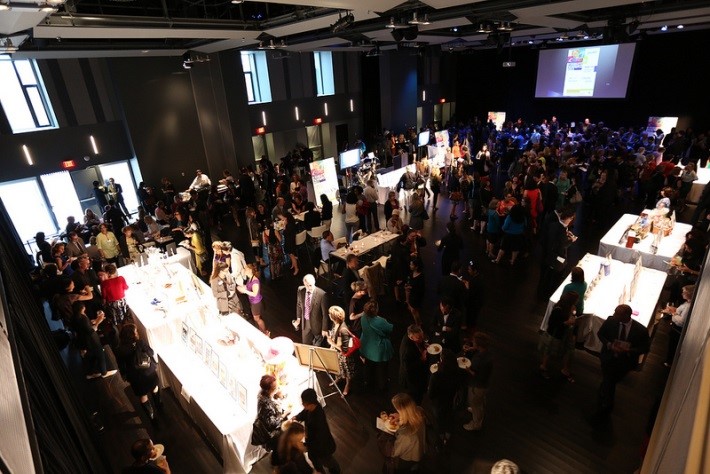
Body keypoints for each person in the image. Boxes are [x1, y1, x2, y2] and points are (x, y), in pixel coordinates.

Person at [595, 304, 651, 418]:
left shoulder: (641, 330)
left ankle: (604, 396)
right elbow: (601, 334)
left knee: (610, 381)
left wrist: (629, 350)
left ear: (626, 316)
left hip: (625, 362)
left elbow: (645, 348)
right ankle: (606, 405)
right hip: (608, 357)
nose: (614, 315)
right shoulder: (611, 321)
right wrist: (609, 345)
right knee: (609, 380)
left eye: (617, 313)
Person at [116, 324, 161, 422]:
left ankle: (152, 418)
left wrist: (125, 376)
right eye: (136, 331)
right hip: (149, 372)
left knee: (143, 396)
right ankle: (159, 406)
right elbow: (151, 353)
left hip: (135, 377)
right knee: (155, 388)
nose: (137, 333)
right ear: (132, 334)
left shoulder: (120, 350)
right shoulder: (140, 343)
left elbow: (121, 366)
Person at [293, 388, 340, 473]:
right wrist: (296, 417)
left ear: (310, 404)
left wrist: (305, 445)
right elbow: (304, 412)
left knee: (328, 462)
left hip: (322, 448)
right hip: (313, 446)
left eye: (304, 403)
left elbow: (318, 440)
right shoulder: (312, 407)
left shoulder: (317, 420)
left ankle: (335, 471)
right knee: (314, 459)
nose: (302, 404)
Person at [428, 348, 466, 445]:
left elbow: (430, 394)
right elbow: (459, 386)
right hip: (451, 401)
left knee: (439, 420)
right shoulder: (457, 372)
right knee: (450, 418)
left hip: (439, 403)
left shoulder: (436, 376)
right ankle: (448, 436)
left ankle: (441, 438)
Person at [538, 291, 579, 382]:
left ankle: (562, 369)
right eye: (576, 300)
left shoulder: (570, 308)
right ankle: (543, 367)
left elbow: (572, 316)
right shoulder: (558, 309)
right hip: (555, 334)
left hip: (563, 333)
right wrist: (566, 323)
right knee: (549, 351)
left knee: (555, 351)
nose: (577, 302)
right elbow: (552, 323)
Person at [72, 302, 116, 379]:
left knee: (93, 355)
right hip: (91, 340)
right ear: (82, 309)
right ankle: (104, 373)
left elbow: (85, 327)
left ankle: (90, 373)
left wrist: (95, 320)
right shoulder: (82, 318)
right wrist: (98, 322)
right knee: (100, 355)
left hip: (85, 339)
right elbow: (91, 330)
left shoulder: (75, 317)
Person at [357, 300, 394, 391]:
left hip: (366, 347)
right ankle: (382, 386)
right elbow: (390, 329)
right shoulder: (380, 321)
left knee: (368, 366)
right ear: (376, 310)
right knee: (382, 369)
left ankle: (368, 382)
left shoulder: (363, 317)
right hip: (378, 350)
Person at [462, 332, 493, 431]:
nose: (472, 342)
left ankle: (476, 424)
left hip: (477, 386)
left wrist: (468, 370)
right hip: (485, 384)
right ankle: (478, 410)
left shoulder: (480, 360)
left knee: (475, 403)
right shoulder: (487, 353)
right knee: (480, 402)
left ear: (479, 345)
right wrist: (472, 348)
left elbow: (476, 375)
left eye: (474, 342)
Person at [388, 393, 426, 472]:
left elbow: (395, 453)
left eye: (398, 410)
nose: (397, 411)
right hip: (419, 450)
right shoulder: (419, 411)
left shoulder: (405, 434)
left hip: (406, 459)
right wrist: (400, 416)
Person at [325, 306, 355, 396]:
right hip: (337, 353)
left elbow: (345, 349)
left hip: (344, 356)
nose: (329, 315)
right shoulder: (335, 324)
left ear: (333, 317)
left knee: (347, 370)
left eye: (330, 314)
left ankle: (347, 384)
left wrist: (331, 343)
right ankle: (338, 378)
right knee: (337, 367)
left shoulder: (343, 329)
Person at [663, 284, 695, 367]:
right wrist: (674, 310)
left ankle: (669, 363)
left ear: (690, 294)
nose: (682, 294)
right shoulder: (687, 303)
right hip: (676, 328)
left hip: (677, 330)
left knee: (673, 346)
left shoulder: (688, 307)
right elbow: (679, 311)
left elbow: (681, 321)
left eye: (684, 292)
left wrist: (672, 313)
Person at [294, 274, 329, 346]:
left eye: (310, 285)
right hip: (305, 323)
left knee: (317, 347)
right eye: (306, 285)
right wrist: (298, 319)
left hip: (317, 324)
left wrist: (324, 328)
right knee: (305, 344)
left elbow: (325, 314)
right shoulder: (300, 290)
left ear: (314, 283)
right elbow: (299, 304)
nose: (308, 288)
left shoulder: (322, 294)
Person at [398, 325, 428, 404]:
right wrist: (421, 359)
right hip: (412, 381)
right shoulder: (407, 350)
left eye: (422, 336)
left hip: (417, 376)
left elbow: (419, 341)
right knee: (415, 400)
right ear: (411, 337)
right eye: (419, 338)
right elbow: (407, 368)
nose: (422, 339)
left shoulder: (411, 336)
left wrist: (423, 344)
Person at [256, 374, 286, 452]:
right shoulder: (266, 404)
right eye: (275, 387)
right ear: (269, 390)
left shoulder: (262, 393)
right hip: (270, 435)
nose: (277, 388)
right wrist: (284, 415)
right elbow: (273, 423)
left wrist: (277, 394)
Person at [238, 263, 267, 334]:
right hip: (253, 302)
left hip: (256, 303)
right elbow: (248, 287)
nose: (244, 270)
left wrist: (245, 291)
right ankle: (262, 331)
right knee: (257, 318)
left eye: (245, 269)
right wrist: (243, 287)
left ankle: (265, 332)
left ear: (250, 270)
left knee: (257, 319)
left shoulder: (255, 281)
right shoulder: (250, 278)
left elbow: (254, 294)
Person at [405, 258, 425, 326]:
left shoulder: (421, 276)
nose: (410, 266)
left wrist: (411, 288)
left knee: (413, 311)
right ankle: (419, 323)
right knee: (414, 311)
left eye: (412, 265)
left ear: (416, 267)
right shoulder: (411, 274)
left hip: (417, 296)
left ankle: (418, 325)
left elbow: (421, 289)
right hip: (412, 295)